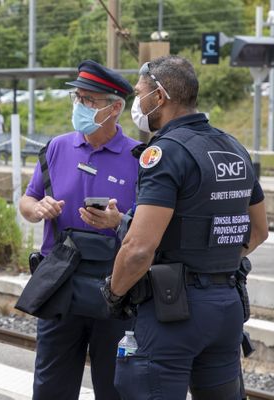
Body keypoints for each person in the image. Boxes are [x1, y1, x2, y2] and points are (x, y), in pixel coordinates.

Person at [102, 56, 269, 400]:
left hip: (173, 310)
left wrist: (115, 293)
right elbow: (258, 232)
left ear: (159, 97)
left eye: (139, 93)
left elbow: (138, 249)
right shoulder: (233, 148)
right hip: (226, 308)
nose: (138, 102)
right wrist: (213, 260)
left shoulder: (166, 153)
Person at [19, 59, 140, 400]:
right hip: (60, 283)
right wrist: (38, 209)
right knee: (51, 385)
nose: (80, 106)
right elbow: (28, 201)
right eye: (77, 98)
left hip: (116, 285)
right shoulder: (57, 147)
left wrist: (118, 222)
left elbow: (148, 224)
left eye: (89, 100)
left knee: (116, 386)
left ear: (115, 107)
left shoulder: (138, 157)